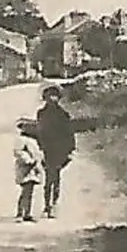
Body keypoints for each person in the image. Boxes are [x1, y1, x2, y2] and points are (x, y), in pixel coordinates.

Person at [36, 84, 77, 218]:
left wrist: (71, 149)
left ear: (58, 98)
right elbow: (39, 131)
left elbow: (69, 132)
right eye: (49, 96)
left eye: (55, 96)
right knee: (49, 178)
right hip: (47, 149)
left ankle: (53, 203)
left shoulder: (63, 114)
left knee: (56, 177)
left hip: (59, 149)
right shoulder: (41, 114)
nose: (52, 99)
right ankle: (47, 204)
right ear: (45, 98)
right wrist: (38, 147)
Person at [13, 118, 45, 223]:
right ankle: (20, 213)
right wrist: (29, 161)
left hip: (33, 169)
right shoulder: (21, 140)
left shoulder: (34, 141)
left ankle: (27, 213)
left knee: (30, 191)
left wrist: (40, 160)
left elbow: (38, 153)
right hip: (25, 168)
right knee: (25, 191)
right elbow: (19, 152)